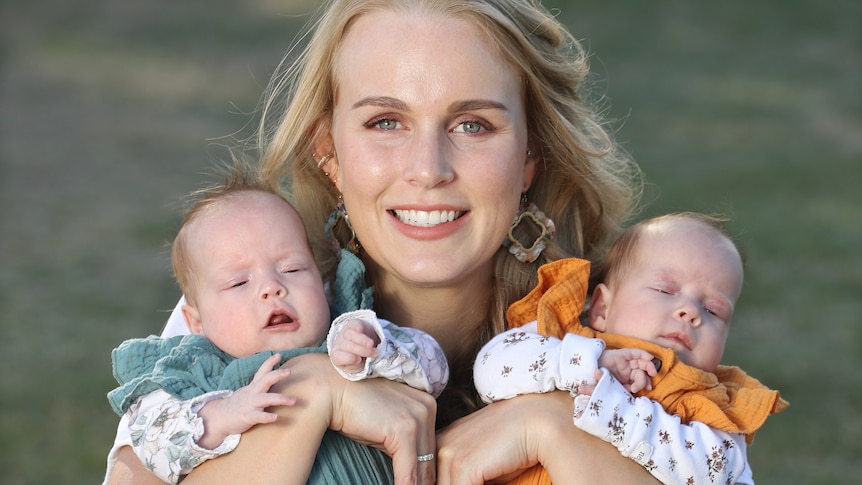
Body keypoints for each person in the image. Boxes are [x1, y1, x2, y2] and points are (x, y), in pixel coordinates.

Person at [104, 0, 670, 483]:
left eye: (472, 124)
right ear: (329, 152)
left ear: (528, 157)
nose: (428, 170)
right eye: (385, 122)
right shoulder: (251, 304)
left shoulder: (630, 318)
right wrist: (317, 391)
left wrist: (547, 428)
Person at [104, 173, 448, 484]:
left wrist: (376, 348)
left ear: (320, 279)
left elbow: (434, 368)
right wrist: (221, 415)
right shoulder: (192, 375)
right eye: (239, 282)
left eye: (293, 269)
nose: (271, 287)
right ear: (196, 322)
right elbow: (151, 446)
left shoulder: (345, 332)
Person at [475, 212, 789, 484]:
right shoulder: (564, 340)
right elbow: (490, 369)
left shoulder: (710, 408)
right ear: (601, 309)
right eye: (666, 290)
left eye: (713, 310)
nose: (691, 312)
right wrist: (587, 363)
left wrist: (616, 411)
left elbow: (712, 473)